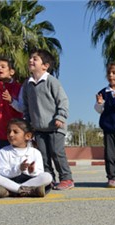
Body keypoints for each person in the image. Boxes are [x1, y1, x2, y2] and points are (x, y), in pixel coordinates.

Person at [20, 49, 73, 190]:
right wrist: (28, 123)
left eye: (35, 59)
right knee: (43, 156)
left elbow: (63, 100)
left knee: (57, 153)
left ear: (45, 66)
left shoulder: (51, 81)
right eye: (30, 58)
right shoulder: (28, 84)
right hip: (38, 128)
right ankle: (49, 179)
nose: (31, 60)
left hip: (55, 127)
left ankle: (66, 178)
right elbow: (26, 105)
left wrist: (61, 116)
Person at [0, 118, 52, 198]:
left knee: (47, 176)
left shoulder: (35, 152)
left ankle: (10, 191)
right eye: (9, 131)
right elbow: (3, 173)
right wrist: (19, 168)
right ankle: (27, 191)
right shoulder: (4, 151)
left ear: (28, 136)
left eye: (15, 132)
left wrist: (32, 171)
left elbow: (40, 173)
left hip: (30, 181)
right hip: (9, 181)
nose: (11, 134)